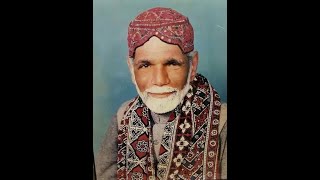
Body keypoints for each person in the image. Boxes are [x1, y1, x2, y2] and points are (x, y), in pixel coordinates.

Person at [95, 7, 227, 180]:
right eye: (145, 65)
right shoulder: (123, 116)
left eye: (172, 64)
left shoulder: (221, 121)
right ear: (132, 70)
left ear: (192, 66)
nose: (159, 80)